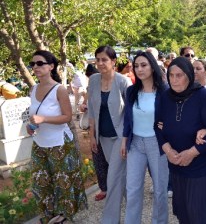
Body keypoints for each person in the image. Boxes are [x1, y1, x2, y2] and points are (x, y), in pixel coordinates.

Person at [155, 57, 206, 224]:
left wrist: (192, 153)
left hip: (201, 167)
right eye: (171, 75)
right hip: (177, 165)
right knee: (184, 212)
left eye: (179, 75)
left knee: (201, 214)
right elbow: (157, 126)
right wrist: (168, 151)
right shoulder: (165, 96)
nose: (174, 80)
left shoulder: (202, 96)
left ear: (189, 76)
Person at [28, 50, 87, 224]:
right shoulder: (33, 89)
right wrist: (31, 125)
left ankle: (63, 215)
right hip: (39, 142)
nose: (35, 67)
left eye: (40, 63)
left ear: (51, 66)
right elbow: (34, 114)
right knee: (40, 182)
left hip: (59, 142)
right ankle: (48, 214)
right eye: (33, 64)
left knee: (63, 181)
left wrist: (43, 119)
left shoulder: (59, 89)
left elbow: (67, 117)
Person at [121, 51, 169, 223]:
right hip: (135, 144)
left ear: (152, 66)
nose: (139, 69)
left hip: (158, 144)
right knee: (133, 188)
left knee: (159, 189)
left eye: (144, 65)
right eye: (136, 66)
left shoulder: (164, 91)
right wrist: (124, 139)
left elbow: (171, 116)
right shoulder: (131, 91)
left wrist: (167, 126)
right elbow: (128, 118)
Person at [87, 45, 132, 224]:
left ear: (113, 62)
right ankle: (133, 212)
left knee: (112, 177)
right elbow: (91, 109)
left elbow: (130, 113)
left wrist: (126, 140)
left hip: (120, 137)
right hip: (103, 137)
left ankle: (110, 219)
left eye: (104, 59)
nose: (100, 63)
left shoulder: (123, 81)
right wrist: (92, 135)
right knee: (122, 178)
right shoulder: (94, 80)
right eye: (97, 59)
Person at [80, 64, 108, 202]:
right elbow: (88, 107)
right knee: (99, 160)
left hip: (111, 131)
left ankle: (116, 188)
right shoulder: (91, 87)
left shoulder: (117, 84)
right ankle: (104, 188)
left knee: (115, 163)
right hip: (96, 129)